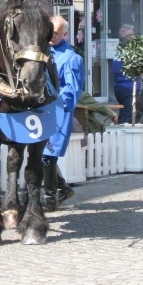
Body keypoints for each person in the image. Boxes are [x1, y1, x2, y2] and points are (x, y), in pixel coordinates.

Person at [42, 16, 84, 211]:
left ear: (65, 34)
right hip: (39, 110)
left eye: (56, 34)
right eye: (49, 32)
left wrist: (55, 102)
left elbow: (72, 90)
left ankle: (50, 198)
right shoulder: (40, 51)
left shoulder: (71, 58)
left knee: (48, 155)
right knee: (40, 153)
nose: (51, 36)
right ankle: (63, 188)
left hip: (58, 111)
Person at [112, 24, 139, 124]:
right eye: (132, 35)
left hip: (124, 87)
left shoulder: (119, 52)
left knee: (125, 114)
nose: (134, 37)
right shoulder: (126, 52)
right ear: (127, 37)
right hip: (128, 88)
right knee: (127, 117)